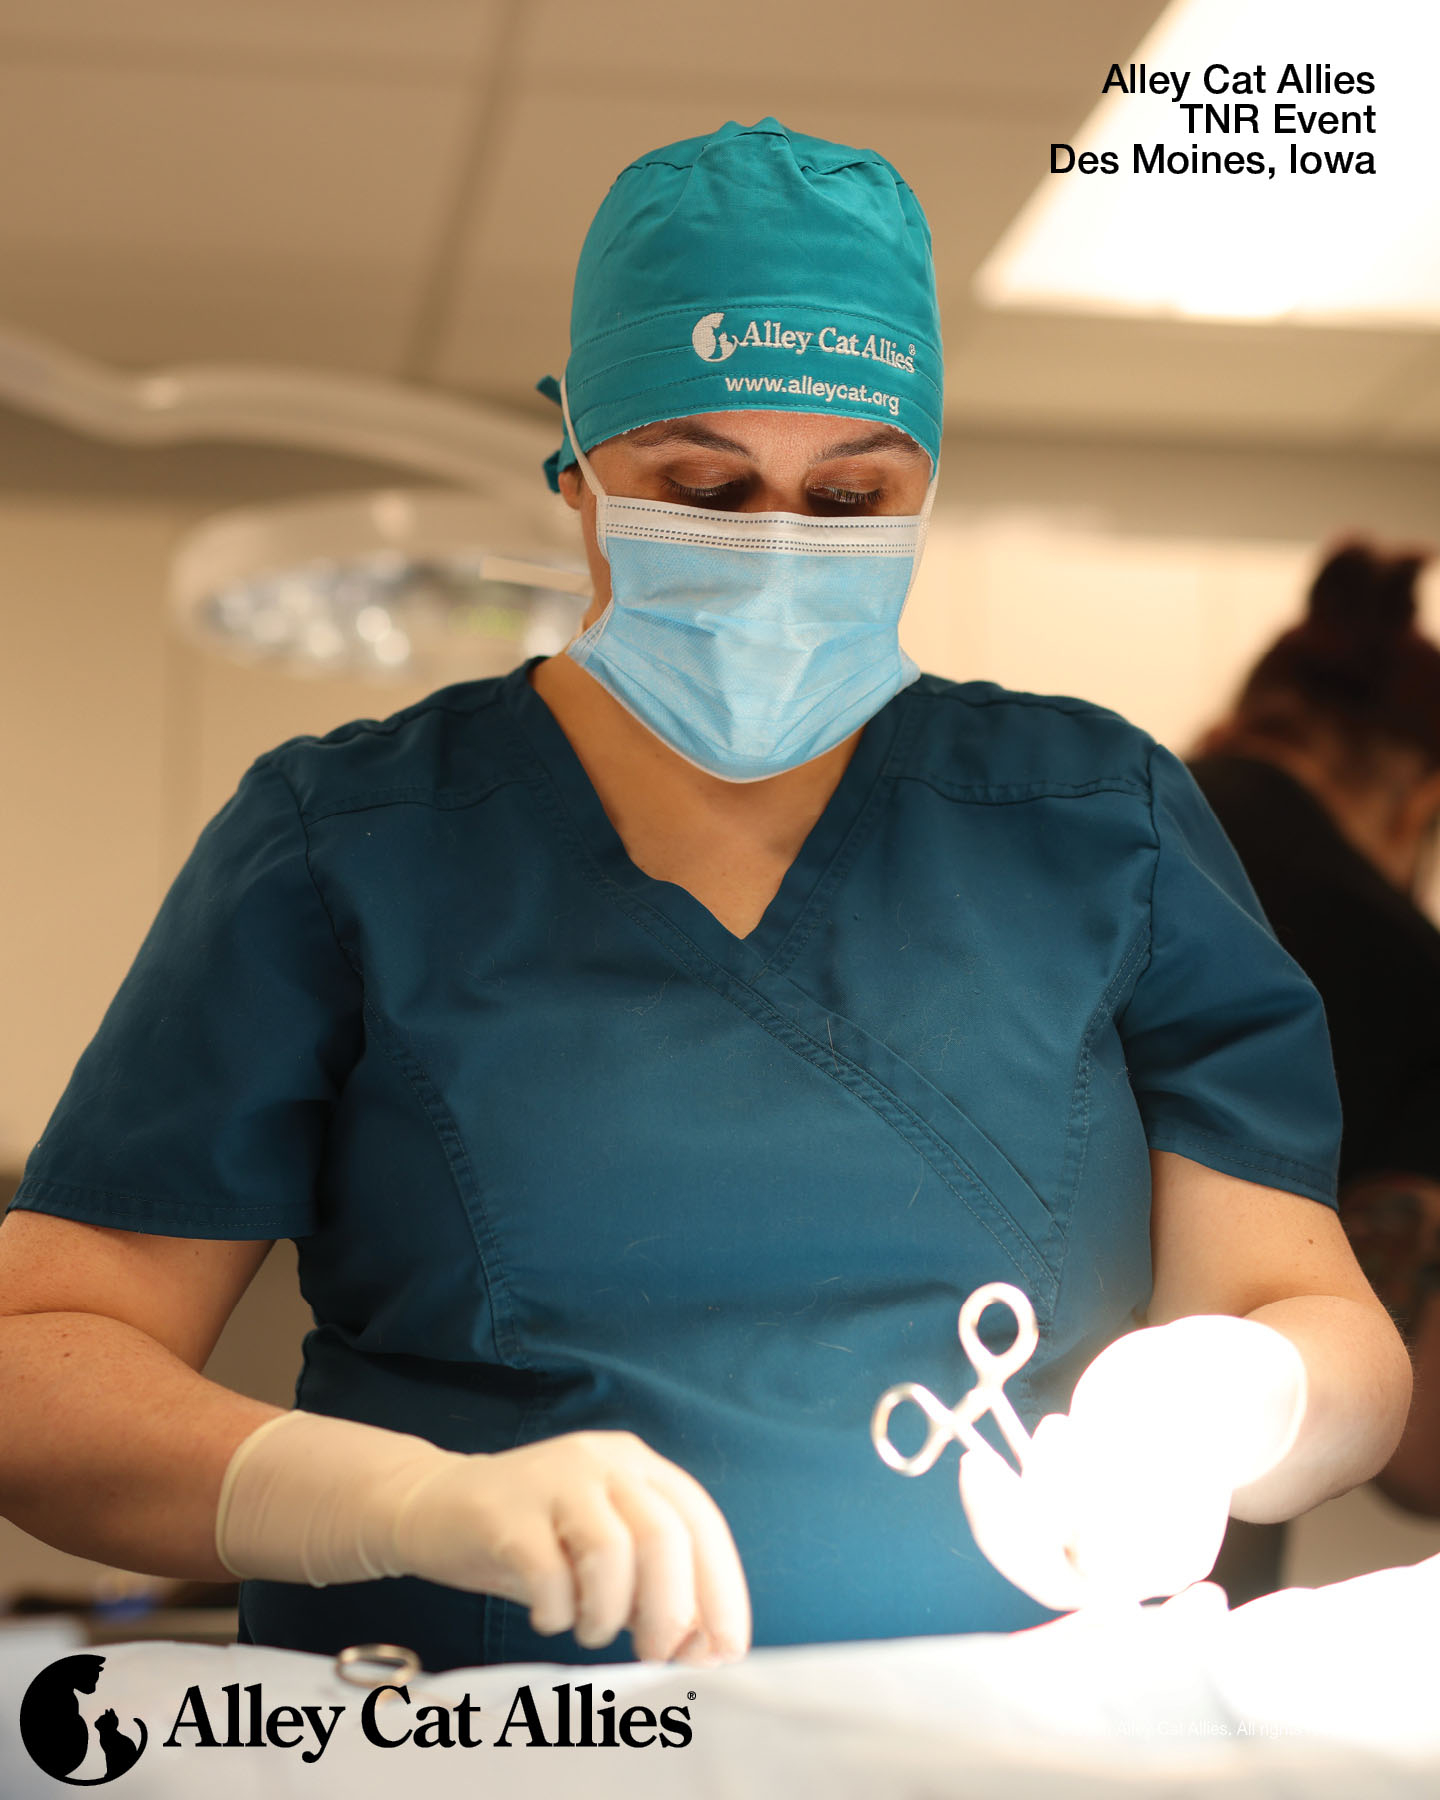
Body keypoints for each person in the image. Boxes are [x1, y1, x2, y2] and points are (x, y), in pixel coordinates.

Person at [0, 120, 1412, 1673]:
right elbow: (40, 1365)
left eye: (850, 496)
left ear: (924, 487)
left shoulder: (1097, 822)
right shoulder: (351, 843)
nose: (779, 551)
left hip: (992, 1750)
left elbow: (1328, 1334)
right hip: (497, 1748)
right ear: (578, 475)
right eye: (705, 485)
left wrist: (1231, 1402)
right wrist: (389, 1502)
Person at [1191, 542, 1440, 1596]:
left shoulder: (1096, 836)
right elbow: (1423, 1450)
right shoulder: (1407, 973)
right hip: (1186, 1538)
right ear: (1418, 799)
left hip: (943, 1453)